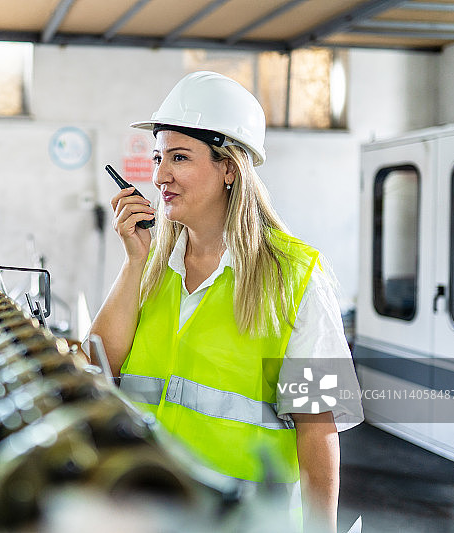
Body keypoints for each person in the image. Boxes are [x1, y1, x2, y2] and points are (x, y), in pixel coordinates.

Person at [89, 71, 362, 533]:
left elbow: (318, 431)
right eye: (158, 158)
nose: (159, 177)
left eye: (179, 157)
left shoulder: (296, 277)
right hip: (149, 511)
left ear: (230, 168)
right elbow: (96, 367)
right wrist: (133, 262)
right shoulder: (153, 264)